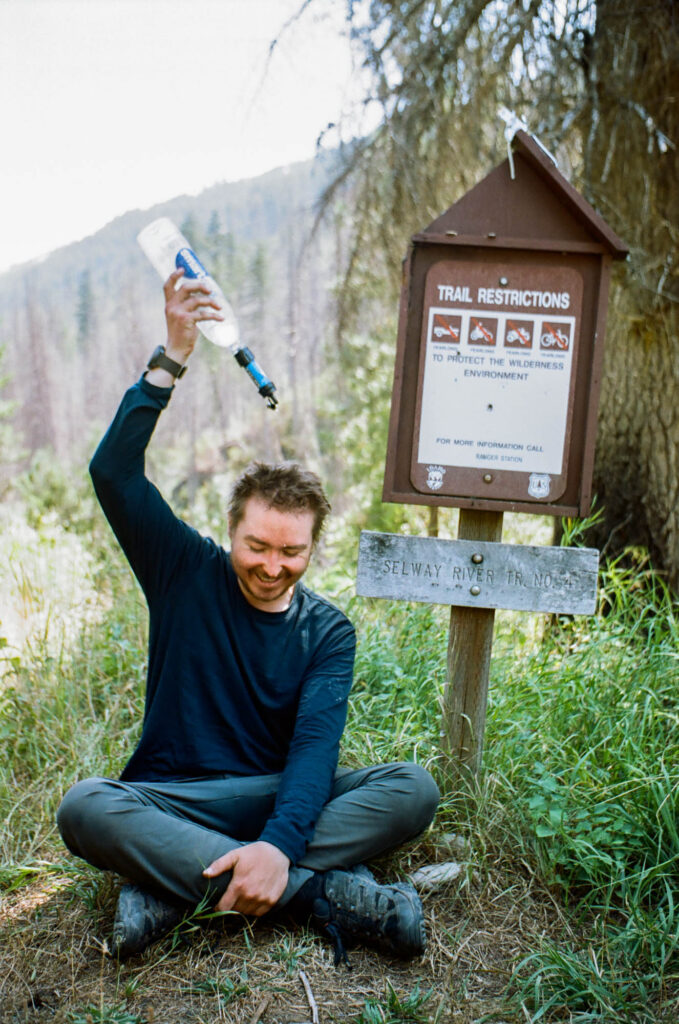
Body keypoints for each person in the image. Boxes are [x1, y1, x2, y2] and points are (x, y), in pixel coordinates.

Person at [57, 268, 440, 964]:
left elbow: (314, 752)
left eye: (290, 552)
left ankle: (173, 889)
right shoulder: (184, 571)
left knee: (411, 790)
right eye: (256, 546)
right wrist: (170, 357)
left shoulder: (329, 631)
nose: (270, 565)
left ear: (313, 549)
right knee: (85, 807)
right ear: (230, 533)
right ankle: (319, 895)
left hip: (275, 798)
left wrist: (278, 840)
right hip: (172, 800)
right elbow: (113, 474)